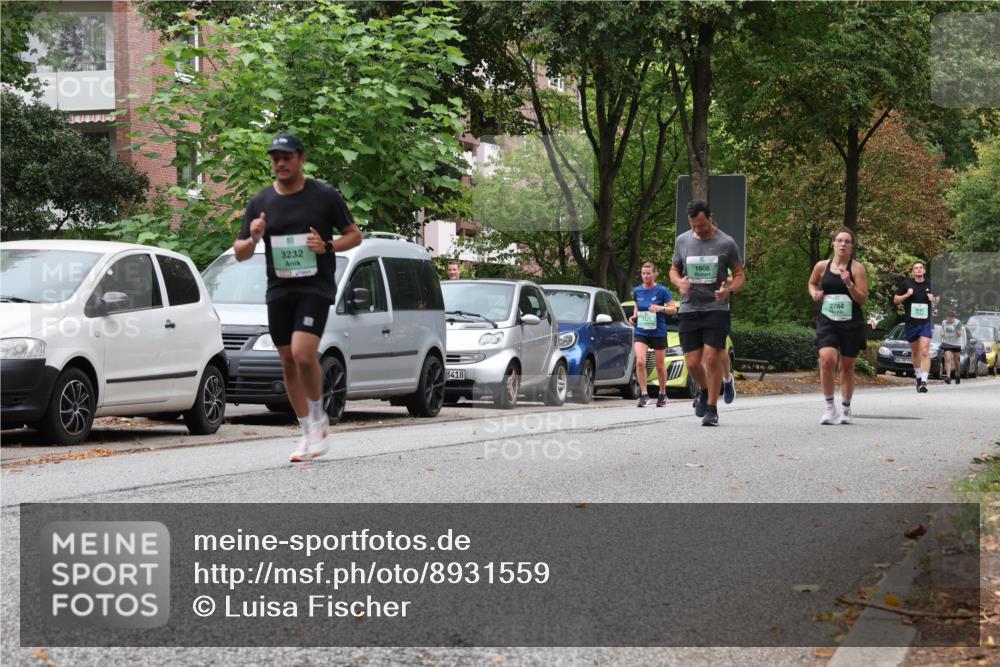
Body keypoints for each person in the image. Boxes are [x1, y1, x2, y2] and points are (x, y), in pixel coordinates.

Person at [234, 134, 362, 462]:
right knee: (287, 360)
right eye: (275, 157)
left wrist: (328, 246)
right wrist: (254, 238)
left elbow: (354, 235)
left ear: (301, 158)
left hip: (314, 287)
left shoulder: (324, 196)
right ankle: (307, 431)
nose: (280, 163)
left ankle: (319, 419)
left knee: (305, 355)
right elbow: (240, 252)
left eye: (287, 157)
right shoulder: (260, 202)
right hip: (279, 289)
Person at [669, 200, 745, 426]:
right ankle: (703, 391)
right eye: (693, 226)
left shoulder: (726, 243)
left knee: (711, 358)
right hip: (689, 308)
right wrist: (678, 283)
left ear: (710, 218)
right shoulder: (682, 241)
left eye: (701, 225)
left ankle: (712, 408)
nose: (697, 230)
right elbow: (674, 269)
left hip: (716, 308)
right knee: (692, 363)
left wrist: (729, 291)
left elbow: (740, 275)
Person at [807, 227, 869, 425]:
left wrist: (850, 284)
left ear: (852, 246)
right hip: (828, 320)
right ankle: (828, 407)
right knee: (826, 360)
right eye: (839, 240)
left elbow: (863, 299)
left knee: (847, 366)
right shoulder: (821, 266)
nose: (843, 244)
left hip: (851, 322)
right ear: (833, 243)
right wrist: (814, 293)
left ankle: (846, 408)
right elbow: (812, 283)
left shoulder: (857, 268)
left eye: (847, 241)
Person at [628, 262, 677, 407]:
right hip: (641, 331)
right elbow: (637, 305)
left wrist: (660, 308)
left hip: (658, 332)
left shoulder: (662, 290)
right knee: (640, 361)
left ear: (654, 274)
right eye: (643, 273)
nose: (645, 276)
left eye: (648, 273)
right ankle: (644, 394)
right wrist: (634, 316)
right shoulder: (637, 291)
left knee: (660, 365)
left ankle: (662, 393)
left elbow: (673, 309)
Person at [893, 261, 939, 393]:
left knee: (924, 351)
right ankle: (918, 376)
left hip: (925, 322)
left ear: (924, 271)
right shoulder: (907, 284)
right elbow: (895, 300)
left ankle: (924, 381)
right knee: (915, 352)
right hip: (911, 322)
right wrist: (907, 295)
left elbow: (938, 299)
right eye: (915, 268)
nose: (918, 270)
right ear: (913, 272)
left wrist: (933, 299)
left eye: (920, 268)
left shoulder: (930, 284)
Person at [940, 310, 964, 384]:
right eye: (948, 318)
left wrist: (955, 327)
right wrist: (942, 335)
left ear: (954, 317)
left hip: (956, 344)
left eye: (951, 318)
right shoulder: (944, 322)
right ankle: (948, 377)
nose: (949, 319)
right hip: (946, 343)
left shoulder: (958, 323)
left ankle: (958, 375)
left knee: (956, 361)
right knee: (947, 358)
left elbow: (959, 334)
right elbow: (943, 332)